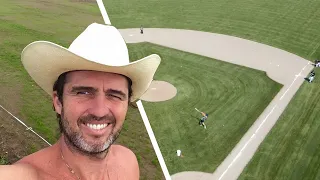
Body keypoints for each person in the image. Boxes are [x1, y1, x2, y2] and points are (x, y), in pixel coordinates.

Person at [0, 23, 161, 180]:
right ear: (58, 102)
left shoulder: (128, 162)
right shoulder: (23, 175)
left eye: (115, 95)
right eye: (83, 92)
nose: (99, 111)